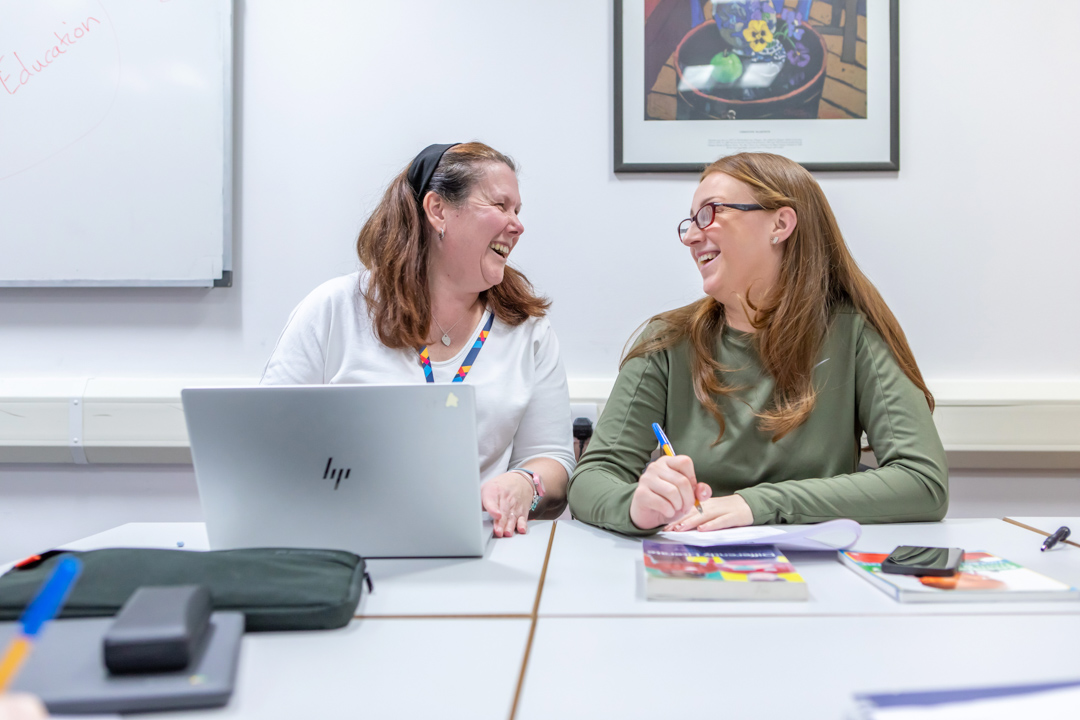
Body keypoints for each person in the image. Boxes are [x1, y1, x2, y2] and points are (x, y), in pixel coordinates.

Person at [567, 152, 948, 535]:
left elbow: (922, 481)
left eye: (710, 213)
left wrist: (755, 504)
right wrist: (636, 507)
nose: (691, 236)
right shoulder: (667, 342)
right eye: (690, 221)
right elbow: (590, 480)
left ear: (780, 224)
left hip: (821, 571)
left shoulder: (855, 334)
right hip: (696, 566)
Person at [261, 143, 575, 536]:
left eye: (518, 211)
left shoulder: (528, 332)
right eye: (501, 205)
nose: (517, 225)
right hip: (344, 541)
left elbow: (554, 460)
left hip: (478, 544)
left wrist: (525, 483)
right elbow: (267, 441)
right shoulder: (334, 310)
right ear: (437, 210)